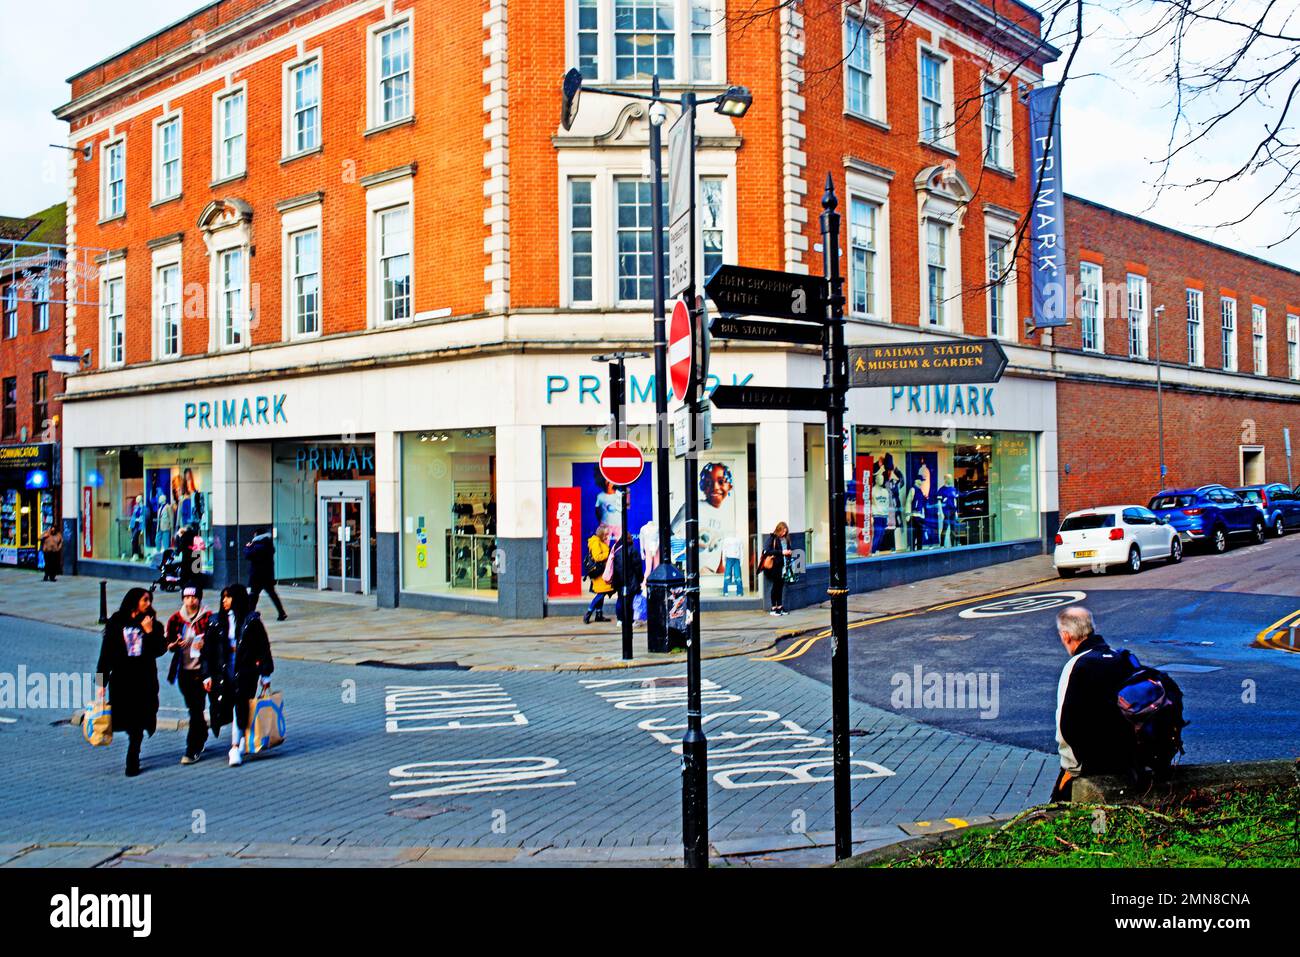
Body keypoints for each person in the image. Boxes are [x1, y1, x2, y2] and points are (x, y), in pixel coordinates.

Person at [1051, 606, 1138, 801]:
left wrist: (1071, 768)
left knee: (1060, 808)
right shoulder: (1120, 659)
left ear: (1066, 635)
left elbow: (1066, 725)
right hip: (1126, 758)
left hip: (1092, 763)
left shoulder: (1076, 666)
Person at [95, 588, 166, 776]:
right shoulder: (117, 622)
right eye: (145, 600)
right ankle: (134, 745)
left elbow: (159, 650)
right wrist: (100, 683)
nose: (148, 604)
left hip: (144, 681)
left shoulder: (153, 624)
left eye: (149, 600)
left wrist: (149, 632)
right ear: (134, 601)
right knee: (125, 719)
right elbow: (105, 655)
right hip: (122, 681)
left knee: (139, 721)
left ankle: (132, 757)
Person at [212, 584, 274, 767]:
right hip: (225, 672)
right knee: (230, 707)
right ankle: (241, 741)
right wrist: (208, 674)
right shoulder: (217, 621)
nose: (224, 601)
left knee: (240, 706)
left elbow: (263, 647)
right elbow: (210, 649)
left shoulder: (251, 621)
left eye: (228, 597)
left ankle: (235, 746)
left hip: (245, 671)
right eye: (223, 597)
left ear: (237, 599)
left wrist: (265, 673)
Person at [165, 585, 214, 764]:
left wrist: (205, 644)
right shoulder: (175, 619)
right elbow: (168, 644)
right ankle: (202, 733)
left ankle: (191, 749)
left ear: (199, 598)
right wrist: (174, 645)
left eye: (194, 597)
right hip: (184, 672)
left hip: (202, 672)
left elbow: (217, 642)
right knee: (194, 709)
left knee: (195, 709)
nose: (190, 601)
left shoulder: (208, 617)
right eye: (186, 597)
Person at [245, 527, 287, 621]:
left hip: (257, 575)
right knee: (272, 595)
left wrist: (247, 547)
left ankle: (249, 614)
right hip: (267, 575)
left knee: (253, 596)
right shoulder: (268, 544)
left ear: (257, 535)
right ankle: (281, 612)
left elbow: (248, 555)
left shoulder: (258, 545)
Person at [608, 532, 644, 624]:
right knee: (631, 601)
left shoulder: (617, 550)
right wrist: (640, 579)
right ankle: (631, 620)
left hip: (619, 580)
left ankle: (620, 620)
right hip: (631, 580)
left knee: (620, 599)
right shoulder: (633, 550)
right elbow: (638, 567)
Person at [583, 524, 613, 624]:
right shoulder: (596, 542)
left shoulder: (600, 541)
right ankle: (588, 612)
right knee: (601, 593)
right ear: (601, 534)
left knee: (602, 593)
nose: (607, 536)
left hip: (601, 571)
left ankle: (599, 614)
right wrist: (608, 554)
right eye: (606, 534)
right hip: (599, 572)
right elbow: (597, 557)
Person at [761, 522, 793, 616]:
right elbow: (767, 550)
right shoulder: (773, 538)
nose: (784, 533)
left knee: (780, 586)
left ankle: (780, 606)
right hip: (774, 566)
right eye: (783, 531)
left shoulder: (786, 539)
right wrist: (782, 552)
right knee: (775, 586)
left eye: (785, 531)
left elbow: (788, 548)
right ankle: (773, 608)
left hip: (783, 566)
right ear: (779, 529)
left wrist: (789, 552)